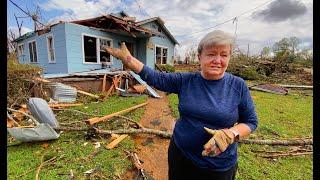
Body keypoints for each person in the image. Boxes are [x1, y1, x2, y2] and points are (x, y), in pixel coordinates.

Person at [104, 30, 258, 180]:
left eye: (224, 55)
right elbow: (157, 79)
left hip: (218, 166)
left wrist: (231, 134)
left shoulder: (238, 86)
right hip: (181, 156)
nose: (217, 60)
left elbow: (251, 121)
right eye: (211, 54)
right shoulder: (186, 80)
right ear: (199, 57)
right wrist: (130, 60)